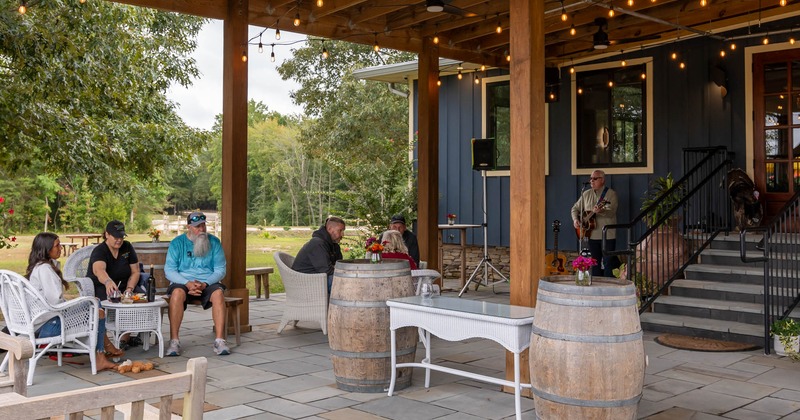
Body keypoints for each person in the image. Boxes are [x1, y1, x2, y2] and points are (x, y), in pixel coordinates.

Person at [26, 232, 120, 371]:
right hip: (49, 327)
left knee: (94, 305)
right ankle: (102, 353)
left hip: (43, 322)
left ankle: (103, 351)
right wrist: (79, 303)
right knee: (96, 308)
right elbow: (55, 303)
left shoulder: (40, 266)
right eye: (57, 245)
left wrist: (80, 303)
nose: (60, 248)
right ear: (46, 248)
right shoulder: (44, 269)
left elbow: (52, 301)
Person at [164, 211, 229, 356]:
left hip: (207, 281)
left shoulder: (214, 242)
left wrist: (205, 283)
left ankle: (219, 341)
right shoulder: (177, 243)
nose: (201, 229)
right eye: (197, 226)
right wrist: (187, 283)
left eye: (203, 225)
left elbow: (220, 269)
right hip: (183, 281)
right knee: (177, 293)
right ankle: (174, 341)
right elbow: (169, 270)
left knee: (218, 294)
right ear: (188, 227)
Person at [87, 220, 142, 348]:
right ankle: (109, 341)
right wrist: (108, 282)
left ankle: (124, 339)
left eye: (121, 237)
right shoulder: (100, 250)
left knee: (141, 298)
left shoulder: (127, 247)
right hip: (102, 286)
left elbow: (135, 271)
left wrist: (129, 288)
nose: (119, 240)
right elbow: (99, 270)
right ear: (107, 234)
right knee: (113, 301)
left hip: (125, 286)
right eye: (116, 237)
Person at [571, 170, 619, 276]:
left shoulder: (611, 194)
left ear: (602, 180)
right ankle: (596, 284)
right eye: (591, 178)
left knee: (608, 263)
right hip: (590, 235)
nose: (591, 181)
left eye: (595, 178)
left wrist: (601, 211)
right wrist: (575, 219)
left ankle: (607, 285)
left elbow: (611, 212)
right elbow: (575, 208)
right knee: (594, 264)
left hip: (607, 235)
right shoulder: (586, 194)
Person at [292, 216, 345, 293]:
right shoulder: (317, 243)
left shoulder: (333, 245)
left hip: (319, 278)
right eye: (340, 230)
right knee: (347, 282)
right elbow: (326, 270)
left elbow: (339, 264)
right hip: (306, 282)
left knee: (349, 280)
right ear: (330, 229)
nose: (343, 234)